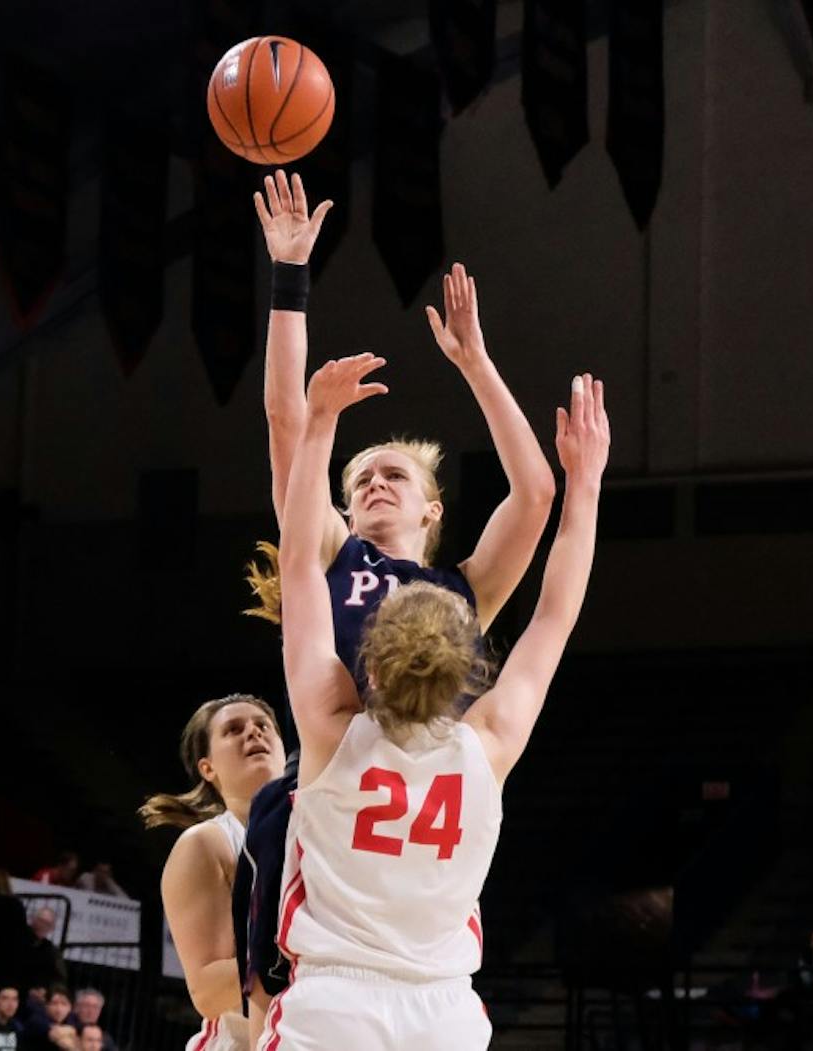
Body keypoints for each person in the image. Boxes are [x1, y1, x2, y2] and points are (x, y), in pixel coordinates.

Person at [238, 170, 555, 1033]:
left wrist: (477, 364)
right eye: (361, 479)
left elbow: (534, 495)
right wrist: (290, 279)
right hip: (341, 775)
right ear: (344, 509)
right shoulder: (335, 554)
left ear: (433, 509)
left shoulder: (464, 592)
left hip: (430, 796)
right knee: (272, 816)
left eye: (395, 475)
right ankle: (257, 998)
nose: (375, 482)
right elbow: (285, 421)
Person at [257, 361, 606, 1048]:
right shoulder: (490, 743)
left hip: (334, 999)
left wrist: (320, 420)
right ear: (468, 671)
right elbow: (555, 615)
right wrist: (587, 485)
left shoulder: (330, 729)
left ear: (368, 665)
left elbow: (295, 563)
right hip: (445, 1009)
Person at [141, 695, 286, 1051]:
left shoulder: (320, 829)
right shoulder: (207, 843)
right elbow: (208, 993)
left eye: (263, 726)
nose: (253, 733)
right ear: (208, 769)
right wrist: (304, 948)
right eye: (234, 730)